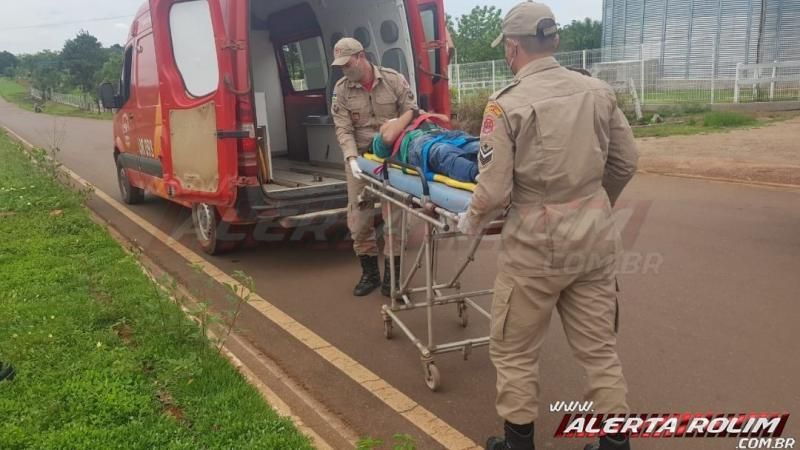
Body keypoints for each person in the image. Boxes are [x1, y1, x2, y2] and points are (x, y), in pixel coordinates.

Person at [456, 2, 639, 450]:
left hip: (535, 250)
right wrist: (596, 205)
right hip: (594, 243)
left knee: (515, 353)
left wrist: (470, 221)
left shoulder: (506, 105)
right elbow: (626, 161)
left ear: (513, 48)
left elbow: (494, 191)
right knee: (599, 352)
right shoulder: (597, 91)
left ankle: (518, 445)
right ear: (554, 40)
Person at [331, 37, 418, 297]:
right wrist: (350, 159)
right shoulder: (342, 89)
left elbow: (412, 112)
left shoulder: (393, 80)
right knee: (359, 219)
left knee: (396, 217)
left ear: (362, 56)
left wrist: (396, 134)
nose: (344, 69)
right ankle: (370, 274)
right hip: (360, 158)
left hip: (392, 158)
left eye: (348, 63)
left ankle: (393, 276)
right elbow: (343, 128)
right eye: (340, 66)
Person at [371, 110, 480, 183]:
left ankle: (493, 164)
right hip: (419, 143)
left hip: (443, 135)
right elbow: (388, 138)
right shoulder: (380, 138)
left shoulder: (416, 120)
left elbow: (444, 120)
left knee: (478, 145)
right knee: (441, 152)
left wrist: (421, 116)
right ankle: (478, 174)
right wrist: (411, 113)